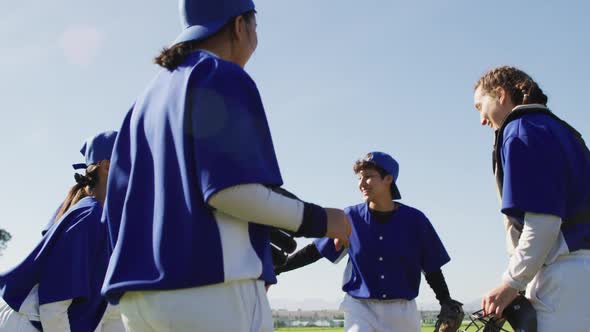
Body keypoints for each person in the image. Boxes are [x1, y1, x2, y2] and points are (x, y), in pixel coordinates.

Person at [100, 0, 351, 331]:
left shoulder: (143, 101)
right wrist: (326, 220)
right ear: (238, 26)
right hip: (210, 290)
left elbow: (113, 212)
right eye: (255, 26)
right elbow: (230, 193)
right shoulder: (220, 73)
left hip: (138, 299)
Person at [275, 152, 462, 332]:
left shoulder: (415, 220)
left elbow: (431, 267)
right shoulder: (349, 218)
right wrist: (277, 268)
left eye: (368, 177)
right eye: (359, 178)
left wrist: (444, 299)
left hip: (402, 312)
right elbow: (314, 252)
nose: (362, 183)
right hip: (359, 308)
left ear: (388, 179)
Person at [474, 66, 590, 331]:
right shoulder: (566, 131)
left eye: (480, 106)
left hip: (563, 279)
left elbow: (544, 223)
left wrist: (511, 283)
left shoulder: (520, 130)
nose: (481, 118)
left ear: (501, 95)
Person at [0, 131, 124, 332]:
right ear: (107, 166)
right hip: (29, 324)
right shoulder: (89, 216)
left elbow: (108, 312)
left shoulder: (104, 220)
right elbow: (53, 305)